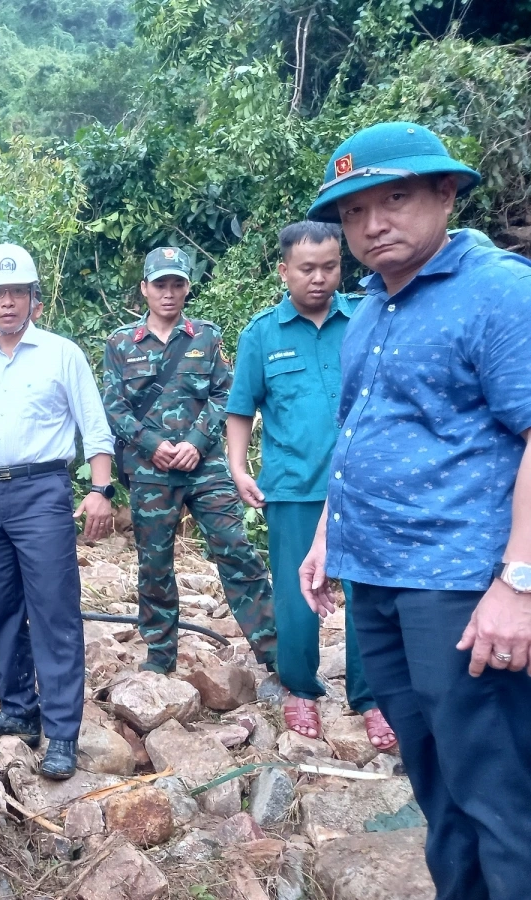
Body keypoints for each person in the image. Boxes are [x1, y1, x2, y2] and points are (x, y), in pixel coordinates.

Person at [301, 121, 531, 898]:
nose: (372, 224)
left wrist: (519, 583)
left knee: (497, 790)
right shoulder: (372, 306)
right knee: (434, 781)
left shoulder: (499, 290)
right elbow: (359, 430)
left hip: (459, 585)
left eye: (393, 200)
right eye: (354, 212)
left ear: (445, 192)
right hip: (378, 580)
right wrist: (327, 536)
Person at [0, 243, 115, 781]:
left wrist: (100, 488)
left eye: (17, 292)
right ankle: (19, 709)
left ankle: (62, 731)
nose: (7, 302)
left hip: (42, 490)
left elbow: (94, 425)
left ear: (33, 298)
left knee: (53, 611)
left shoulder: (62, 354)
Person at [226, 223, 395, 749]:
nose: (319, 278)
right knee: (296, 595)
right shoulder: (262, 334)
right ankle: (300, 689)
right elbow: (241, 408)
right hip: (294, 487)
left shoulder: (367, 316)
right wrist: (238, 468)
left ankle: (373, 697)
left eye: (329, 266)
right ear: (284, 271)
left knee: (370, 593)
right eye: (306, 269)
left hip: (364, 486)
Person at [103, 248, 276, 675]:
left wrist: (197, 442)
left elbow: (225, 394)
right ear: (145, 288)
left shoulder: (206, 337)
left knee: (235, 549)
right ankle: (160, 657)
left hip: (206, 468)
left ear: (187, 288)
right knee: (154, 564)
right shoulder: (121, 343)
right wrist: (151, 444)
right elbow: (114, 407)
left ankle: (277, 654)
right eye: (160, 284)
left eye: (177, 284)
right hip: (151, 470)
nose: (168, 292)